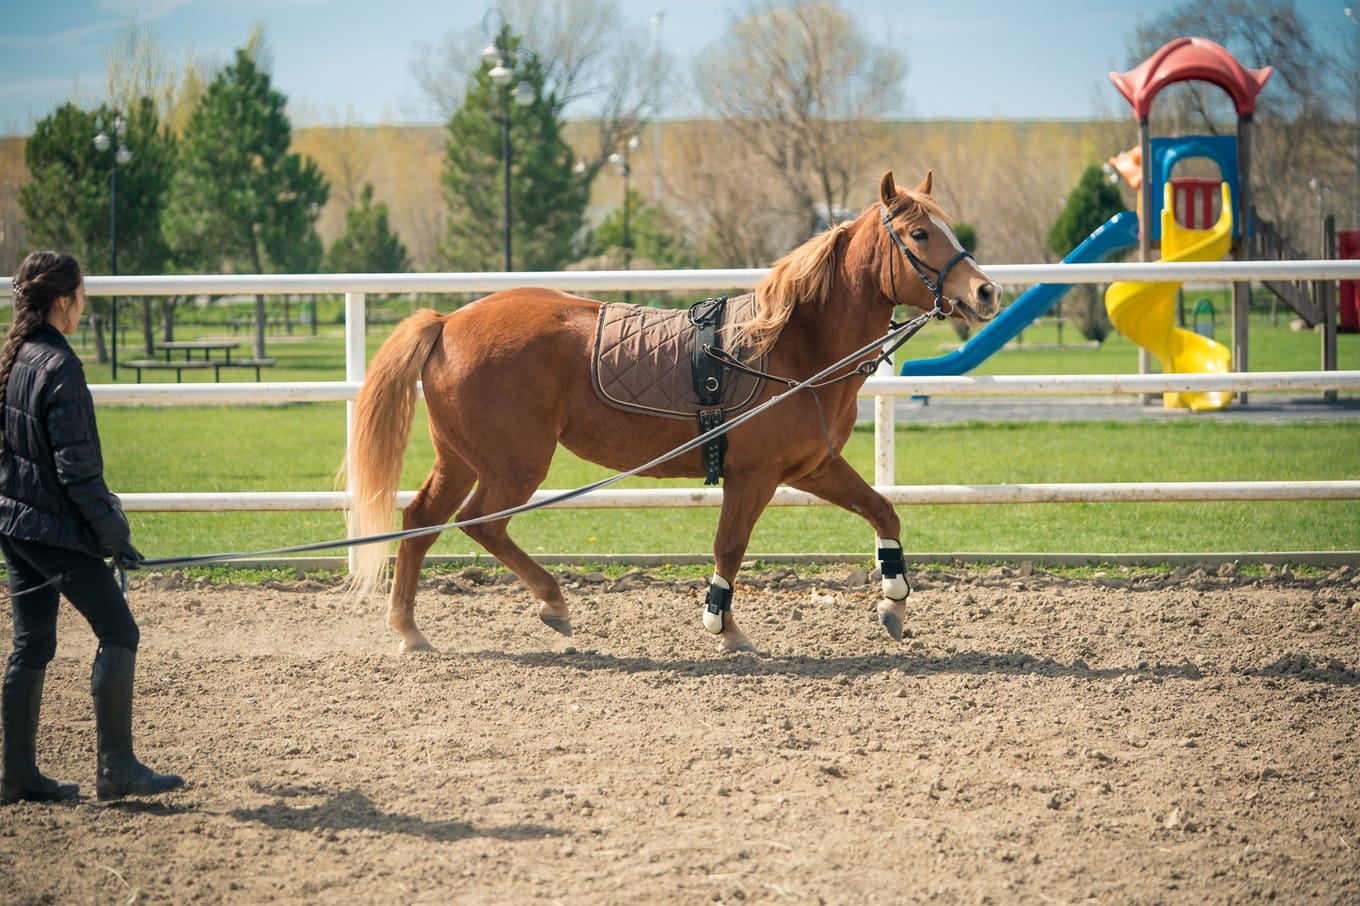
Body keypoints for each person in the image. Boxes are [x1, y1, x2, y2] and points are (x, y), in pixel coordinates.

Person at [0, 251, 182, 804]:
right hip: (54, 531)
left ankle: (16, 774)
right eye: (82, 296)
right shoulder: (61, 367)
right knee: (119, 630)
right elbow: (77, 473)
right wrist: (115, 538)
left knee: (31, 643)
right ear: (64, 300)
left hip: (15, 526)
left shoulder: (16, 358)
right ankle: (116, 767)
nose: (84, 306)